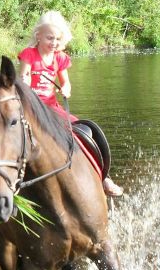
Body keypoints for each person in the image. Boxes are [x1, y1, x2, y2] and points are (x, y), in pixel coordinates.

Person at [18, 10, 123, 197]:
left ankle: (103, 177)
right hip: (30, 107)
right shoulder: (29, 55)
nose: (54, 43)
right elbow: (23, 76)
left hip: (51, 107)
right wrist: (25, 83)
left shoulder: (60, 58)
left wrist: (66, 89)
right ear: (38, 36)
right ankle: (0, 197)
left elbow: (66, 82)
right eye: (49, 38)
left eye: (58, 39)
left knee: (85, 132)